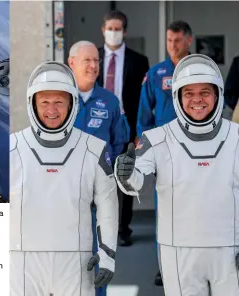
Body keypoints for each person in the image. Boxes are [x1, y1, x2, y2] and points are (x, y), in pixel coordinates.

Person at [115, 53, 239, 295]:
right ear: (177, 97)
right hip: (179, 251)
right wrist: (126, 173)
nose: (197, 100)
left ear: (217, 94)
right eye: (189, 93)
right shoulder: (157, 138)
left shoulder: (236, 136)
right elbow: (136, 182)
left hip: (230, 250)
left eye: (205, 92)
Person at [9, 61, 118, 296]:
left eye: (59, 102)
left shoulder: (94, 149)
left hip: (76, 263)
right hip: (22, 263)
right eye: (45, 102)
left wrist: (107, 255)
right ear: (32, 104)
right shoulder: (12, 148)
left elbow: (107, 204)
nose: (52, 110)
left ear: (72, 104)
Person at [68, 40, 129, 296]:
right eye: (87, 60)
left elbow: (119, 142)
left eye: (96, 60)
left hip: (98, 192)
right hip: (65, 192)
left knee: (100, 255)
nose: (94, 66)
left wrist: (108, 175)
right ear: (71, 63)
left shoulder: (110, 101)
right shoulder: (58, 99)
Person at [135, 20, 193, 286]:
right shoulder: (156, 74)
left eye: (178, 40)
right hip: (165, 154)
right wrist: (147, 148)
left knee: (195, 210)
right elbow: (144, 115)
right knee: (166, 212)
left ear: (189, 41)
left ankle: (193, 264)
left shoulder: (200, 70)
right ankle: (165, 265)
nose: (173, 46)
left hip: (195, 153)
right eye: (170, 40)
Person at [97, 10, 149, 247]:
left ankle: (122, 229)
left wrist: (139, 130)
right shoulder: (93, 58)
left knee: (124, 174)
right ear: (103, 30)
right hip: (97, 123)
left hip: (125, 124)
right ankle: (98, 227)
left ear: (124, 31)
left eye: (118, 29)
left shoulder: (139, 61)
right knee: (96, 175)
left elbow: (141, 99)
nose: (114, 33)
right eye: (110, 28)